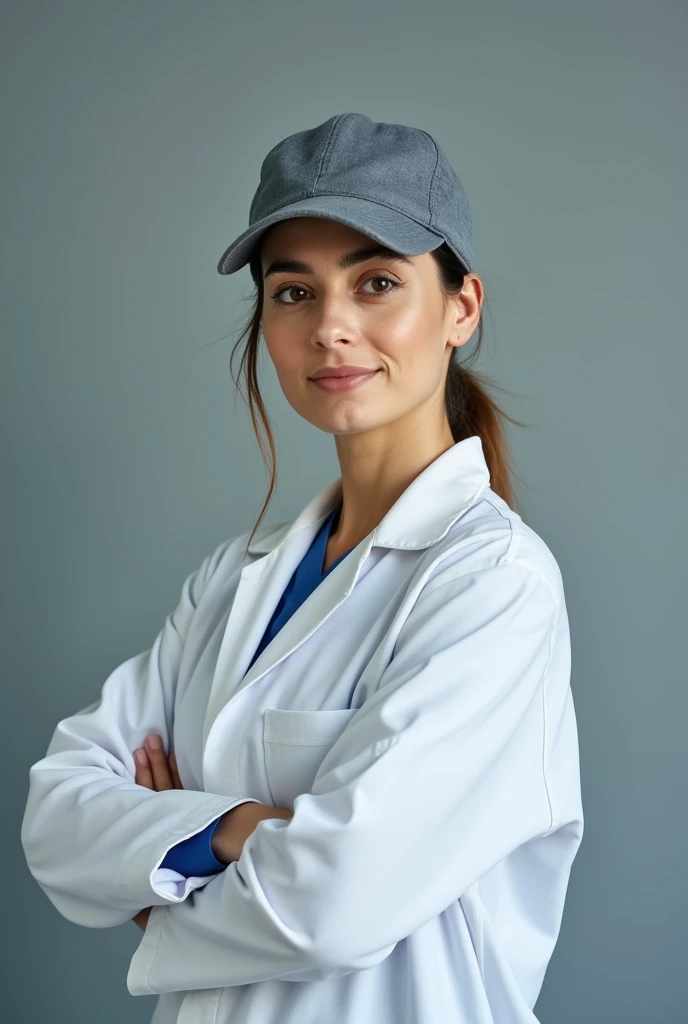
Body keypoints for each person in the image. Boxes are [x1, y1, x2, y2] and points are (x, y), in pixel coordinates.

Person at [21, 112, 584, 1023]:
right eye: (293, 292)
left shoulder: (491, 584)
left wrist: (157, 865)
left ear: (461, 309)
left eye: (375, 283)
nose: (330, 328)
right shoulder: (231, 580)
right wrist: (236, 827)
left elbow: (333, 902)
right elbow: (55, 818)